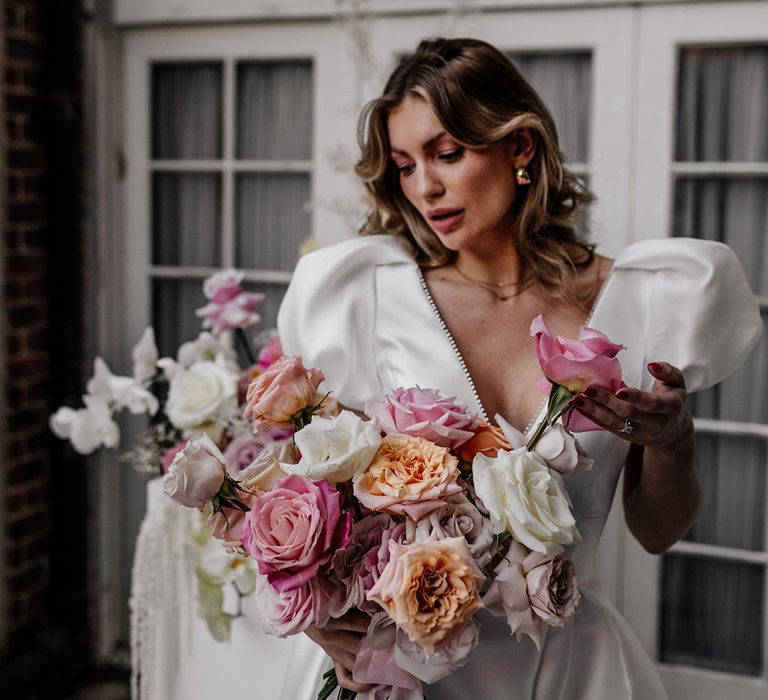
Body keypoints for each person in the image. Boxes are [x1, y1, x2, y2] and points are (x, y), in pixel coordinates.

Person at [277, 37, 762, 699]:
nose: (426, 186)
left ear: (520, 147)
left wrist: (674, 440)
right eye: (405, 164)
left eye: (448, 153)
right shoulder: (365, 297)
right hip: (400, 671)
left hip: (567, 670)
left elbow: (657, 531)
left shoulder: (646, 299)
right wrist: (319, 625)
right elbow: (304, 507)